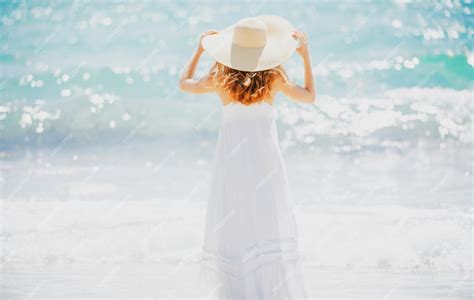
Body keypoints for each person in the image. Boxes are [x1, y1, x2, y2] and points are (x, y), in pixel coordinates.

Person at [179, 15, 315, 299]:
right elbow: (309, 96)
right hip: (265, 162)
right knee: (265, 218)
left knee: (234, 220)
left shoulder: (219, 78)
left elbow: (185, 83)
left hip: (231, 162)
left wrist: (200, 49)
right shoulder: (275, 77)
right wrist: (305, 56)